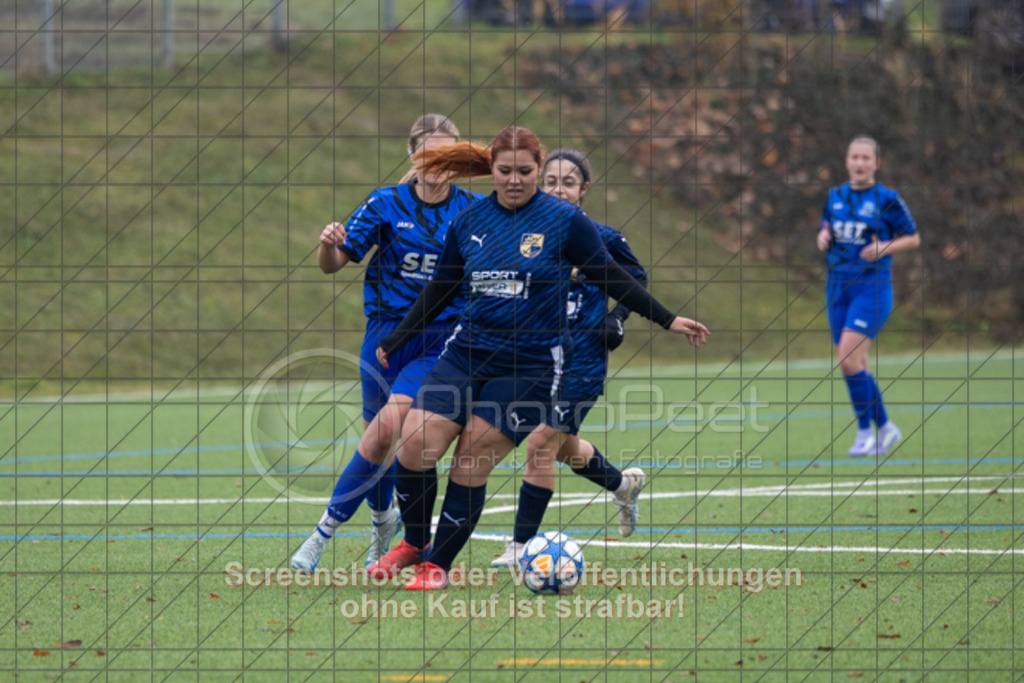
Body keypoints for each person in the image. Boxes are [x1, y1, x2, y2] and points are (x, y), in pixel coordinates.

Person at [366, 125, 710, 590]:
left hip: (529, 365)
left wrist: (668, 320)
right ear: (492, 168)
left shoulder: (566, 222)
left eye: (525, 171)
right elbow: (441, 286)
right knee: (415, 442)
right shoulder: (469, 221)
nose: (514, 180)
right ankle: (414, 543)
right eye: (505, 170)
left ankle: (437, 566)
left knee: (472, 456)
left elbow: (612, 277)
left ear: (536, 170)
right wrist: (398, 337)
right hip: (467, 353)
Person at [290, 114, 484, 572]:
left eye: (448, 154)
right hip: (383, 337)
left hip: (438, 339)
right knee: (374, 443)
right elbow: (333, 263)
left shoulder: (472, 211)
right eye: (429, 153)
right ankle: (382, 523)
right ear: (412, 154)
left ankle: (320, 536)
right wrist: (326, 243)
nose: (439, 163)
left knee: (386, 431)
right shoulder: (384, 203)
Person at [491, 148, 648, 568]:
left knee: (540, 443)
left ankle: (522, 546)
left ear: (584, 190)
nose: (559, 189)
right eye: (552, 181)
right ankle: (622, 484)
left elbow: (636, 278)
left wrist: (616, 318)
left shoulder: (603, 237)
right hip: (536, 357)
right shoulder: (523, 235)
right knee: (560, 447)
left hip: (583, 359)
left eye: (569, 182)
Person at [817, 135, 920, 457]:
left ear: (876, 163)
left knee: (848, 359)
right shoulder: (834, 196)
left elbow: (913, 238)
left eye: (866, 158)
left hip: (871, 288)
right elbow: (827, 226)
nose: (860, 163)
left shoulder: (887, 198)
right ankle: (881, 430)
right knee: (853, 363)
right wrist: (823, 236)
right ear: (847, 161)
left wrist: (883, 247)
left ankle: (870, 431)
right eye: (855, 157)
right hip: (837, 287)